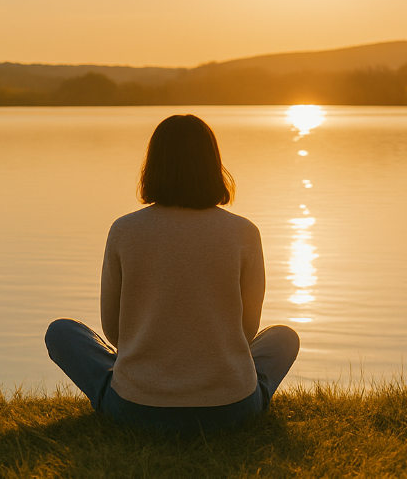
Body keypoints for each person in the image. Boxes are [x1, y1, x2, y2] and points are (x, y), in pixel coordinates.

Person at [45, 114, 300, 433]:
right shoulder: (245, 232)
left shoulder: (125, 230)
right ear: (213, 165)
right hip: (232, 410)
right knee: (283, 338)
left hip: (137, 410)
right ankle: (226, 390)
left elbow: (115, 333)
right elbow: (245, 332)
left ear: (153, 165)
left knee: (61, 333)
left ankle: (131, 388)